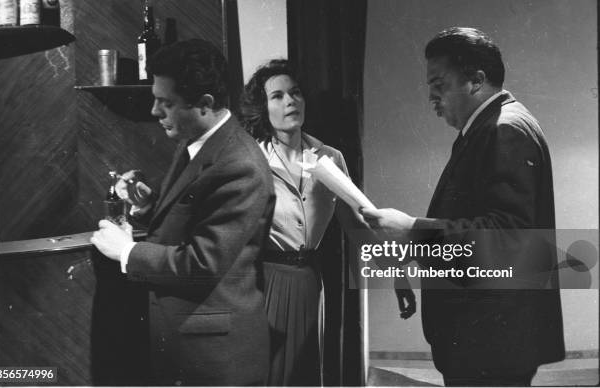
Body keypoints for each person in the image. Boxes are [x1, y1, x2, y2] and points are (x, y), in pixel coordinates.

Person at [360, 27, 565, 386]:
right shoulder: (489, 127)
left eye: (438, 84)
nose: (431, 98)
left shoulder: (503, 129)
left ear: (475, 80)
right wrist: (413, 251)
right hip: (487, 341)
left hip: (490, 347)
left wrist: (412, 229)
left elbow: (506, 238)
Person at [90, 39, 275, 386]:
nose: (154, 112)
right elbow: (191, 221)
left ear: (204, 104)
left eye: (166, 103)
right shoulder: (196, 142)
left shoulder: (241, 165)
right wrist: (147, 208)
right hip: (186, 347)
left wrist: (126, 251)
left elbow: (203, 263)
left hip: (216, 361)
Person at [239, 59, 415, 386]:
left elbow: (358, 228)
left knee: (308, 376)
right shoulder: (251, 160)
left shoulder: (329, 158)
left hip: (310, 282)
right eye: (277, 96)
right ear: (262, 108)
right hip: (265, 284)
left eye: (295, 93)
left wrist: (397, 276)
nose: (290, 101)